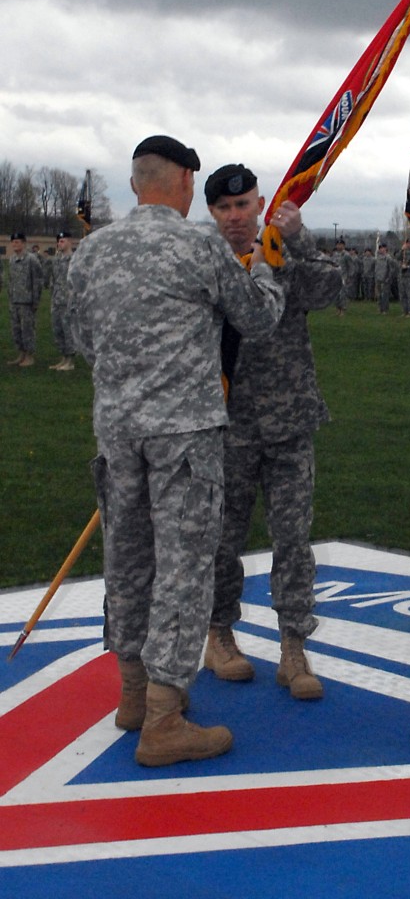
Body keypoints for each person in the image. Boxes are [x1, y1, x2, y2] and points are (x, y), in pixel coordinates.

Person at [67, 135, 285, 767]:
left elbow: (78, 335)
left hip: (116, 432)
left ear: (137, 184)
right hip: (184, 437)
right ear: (188, 181)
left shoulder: (93, 250)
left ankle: (133, 696)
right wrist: (267, 263)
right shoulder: (200, 246)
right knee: (184, 571)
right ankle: (164, 718)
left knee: (128, 563)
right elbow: (257, 318)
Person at [203, 163, 342, 698]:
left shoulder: (279, 256)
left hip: (289, 423)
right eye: (225, 208)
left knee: (293, 541)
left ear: (261, 205)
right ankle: (219, 635)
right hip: (227, 427)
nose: (237, 216)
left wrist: (300, 238)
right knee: (222, 541)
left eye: (245, 205)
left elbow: (331, 287)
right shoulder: (204, 265)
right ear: (212, 213)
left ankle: (293, 646)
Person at [6, 232, 43, 367]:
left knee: (27, 330)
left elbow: (37, 281)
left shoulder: (31, 259)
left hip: (27, 301)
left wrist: (35, 300)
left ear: (23, 243)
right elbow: (11, 280)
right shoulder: (12, 260)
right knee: (16, 330)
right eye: (13, 242)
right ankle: (21, 354)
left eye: (18, 242)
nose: (15, 244)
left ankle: (29, 356)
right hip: (14, 300)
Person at [49, 231, 77, 371]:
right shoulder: (56, 259)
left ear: (69, 242)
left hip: (68, 301)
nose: (60, 243)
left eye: (62, 241)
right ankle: (64, 358)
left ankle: (70, 361)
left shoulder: (75, 260)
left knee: (68, 330)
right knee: (58, 330)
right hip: (56, 299)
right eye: (59, 241)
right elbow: (53, 279)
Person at [374, 242, 396, 314]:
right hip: (378, 279)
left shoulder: (388, 258)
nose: (381, 250)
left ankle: (385, 309)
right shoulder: (378, 258)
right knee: (379, 295)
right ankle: (380, 308)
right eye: (380, 248)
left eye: (383, 248)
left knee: (385, 295)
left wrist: (388, 278)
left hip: (385, 279)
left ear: (386, 249)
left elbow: (392, 269)